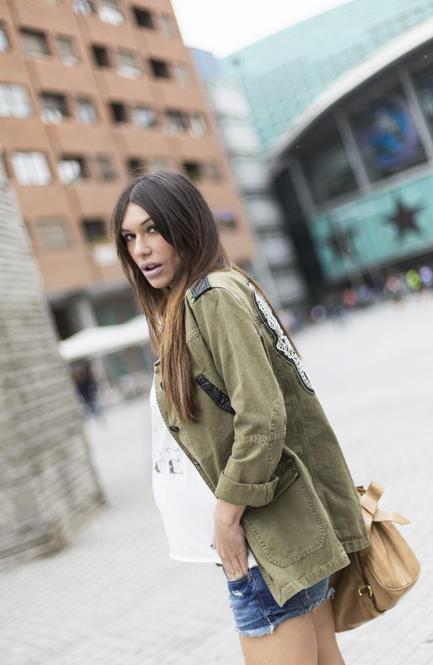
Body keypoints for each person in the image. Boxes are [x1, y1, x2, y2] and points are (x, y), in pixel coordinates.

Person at [111, 171, 371, 665]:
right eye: (129, 237)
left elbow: (264, 415)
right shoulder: (216, 292)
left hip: (262, 538)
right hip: (278, 531)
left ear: (185, 226)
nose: (141, 249)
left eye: (152, 230)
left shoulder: (211, 299)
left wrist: (227, 515)